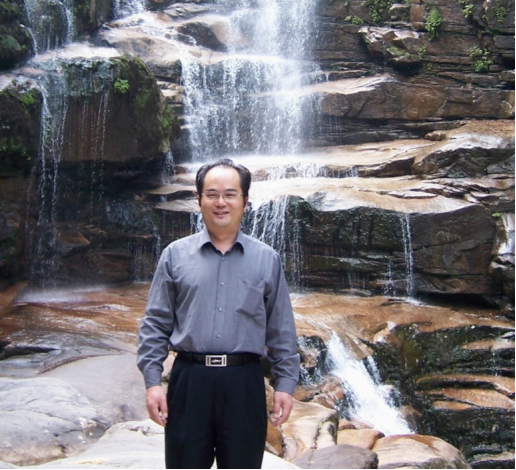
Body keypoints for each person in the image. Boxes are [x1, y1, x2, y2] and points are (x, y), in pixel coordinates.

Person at [137, 158, 300, 469]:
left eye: (230, 194)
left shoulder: (267, 259)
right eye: (212, 194)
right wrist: (153, 381)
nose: (221, 202)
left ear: (245, 202)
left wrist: (285, 384)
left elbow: (280, 328)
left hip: (244, 383)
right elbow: (155, 323)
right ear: (199, 200)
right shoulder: (175, 255)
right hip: (189, 381)